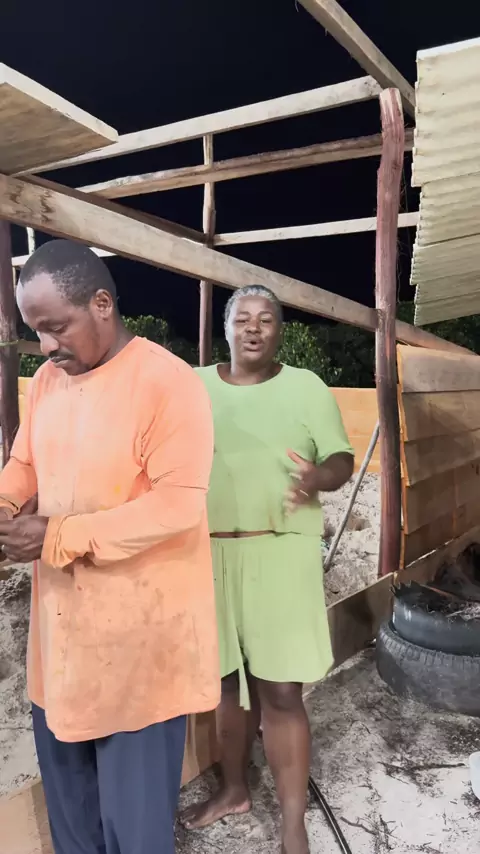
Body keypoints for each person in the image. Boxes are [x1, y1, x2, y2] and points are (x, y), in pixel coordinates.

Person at [0, 240, 219, 854]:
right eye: (36, 331)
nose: (47, 346)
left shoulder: (166, 383)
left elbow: (178, 505)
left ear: (101, 303)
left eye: (56, 327)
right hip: (61, 644)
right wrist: (6, 503)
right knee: (73, 817)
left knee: (135, 829)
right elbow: (25, 462)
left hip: (139, 652)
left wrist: (57, 534)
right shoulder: (48, 381)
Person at [183, 285, 354, 854]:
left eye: (265, 319)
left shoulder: (305, 386)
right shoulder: (193, 386)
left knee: (280, 690)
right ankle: (234, 788)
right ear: (226, 329)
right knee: (226, 685)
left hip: (279, 551)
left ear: (279, 331)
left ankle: (292, 825)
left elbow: (341, 459)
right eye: (242, 319)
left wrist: (318, 478)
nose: (253, 328)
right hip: (209, 553)